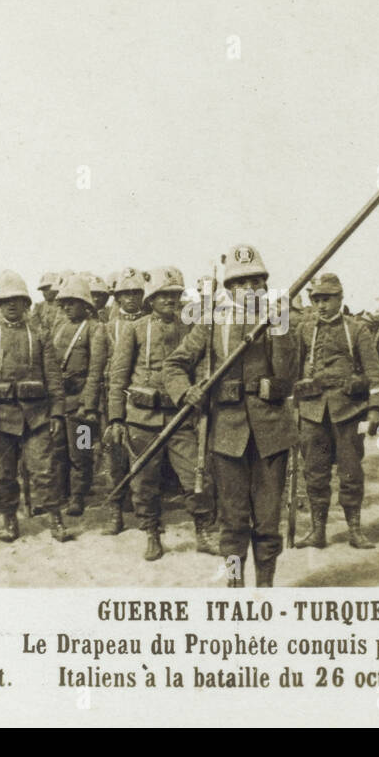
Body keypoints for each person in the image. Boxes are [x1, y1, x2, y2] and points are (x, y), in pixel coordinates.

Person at [162, 244, 299, 587]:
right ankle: (236, 586)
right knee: (233, 518)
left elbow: (289, 375)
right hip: (226, 432)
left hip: (271, 433)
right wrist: (186, 391)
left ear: (265, 285)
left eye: (255, 281)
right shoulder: (210, 322)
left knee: (268, 520)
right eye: (240, 283)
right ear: (229, 288)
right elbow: (174, 365)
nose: (249, 289)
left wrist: (280, 328)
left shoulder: (276, 318)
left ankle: (265, 586)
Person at [106, 266, 220, 560]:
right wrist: (116, 418)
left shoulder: (189, 327)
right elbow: (118, 376)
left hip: (180, 416)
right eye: (163, 295)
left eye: (175, 295)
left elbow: (199, 366)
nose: (170, 300)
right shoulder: (134, 328)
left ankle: (203, 532)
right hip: (142, 417)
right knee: (144, 480)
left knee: (196, 475)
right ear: (151, 299)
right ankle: (152, 533)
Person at [293, 273, 379, 549]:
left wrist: (375, 410)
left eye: (327, 299)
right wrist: (293, 410)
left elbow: (374, 373)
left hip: (348, 411)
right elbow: (294, 372)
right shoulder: (304, 330)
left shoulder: (357, 330)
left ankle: (355, 531)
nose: (321, 305)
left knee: (351, 471)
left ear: (340, 298)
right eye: (317, 299)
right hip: (312, 413)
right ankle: (317, 531)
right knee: (314, 472)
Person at [0, 271, 68, 543]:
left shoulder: (40, 336)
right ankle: (10, 520)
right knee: (5, 474)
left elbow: (53, 376)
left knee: (44, 469)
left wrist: (56, 412)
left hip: (36, 416)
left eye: (18, 300)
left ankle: (56, 518)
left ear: (26, 304)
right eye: (6, 300)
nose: (11, 305)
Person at [49, 274, 108, 520]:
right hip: (59, 400)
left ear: (85, 304)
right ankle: (61, 493)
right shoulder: (59, 327)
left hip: (81, 402)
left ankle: (78, 495)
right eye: (64, 303)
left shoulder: (95, 329)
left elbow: (95, 371)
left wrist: (89, 404)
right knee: (58, 448)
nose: (67, 307)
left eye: (72, 302)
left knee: (81, 451)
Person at [102, 266, 146, 520]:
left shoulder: (150, 324)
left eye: (135, 293)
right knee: (113, 457)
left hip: (140, 401)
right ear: (117, 298)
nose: (130, 298)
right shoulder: (106, 328)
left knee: (141, 456)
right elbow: (96, 367)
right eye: (125, 294)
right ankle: (114, 509)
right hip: (111, 400)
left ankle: (142, 508)